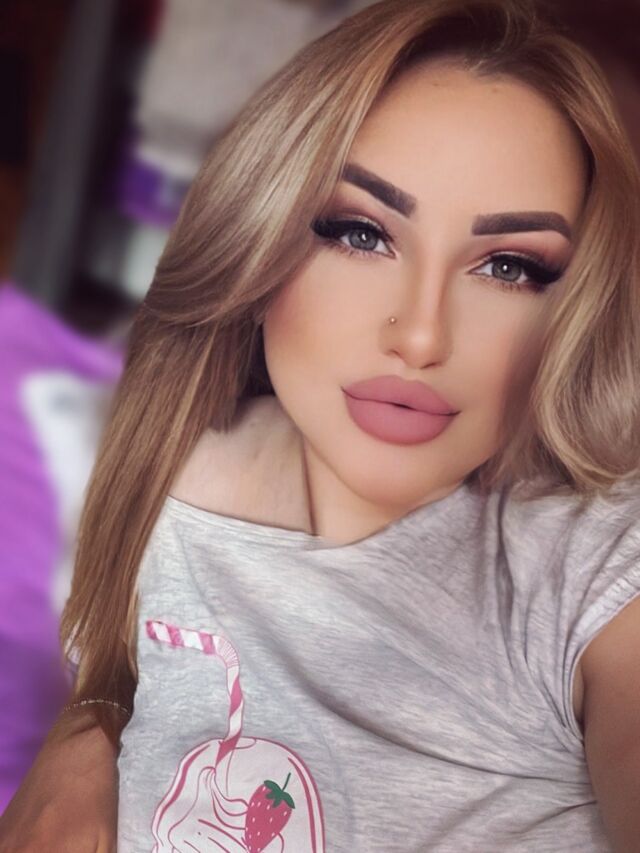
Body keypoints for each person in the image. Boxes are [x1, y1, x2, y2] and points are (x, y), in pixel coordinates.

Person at [2, 0, 640, 849]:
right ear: (257, 240)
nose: (421, 335)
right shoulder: (155, 476)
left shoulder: (591, 563)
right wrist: (89, 721)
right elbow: (113, 665)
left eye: (510, 266)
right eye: (361, 233)